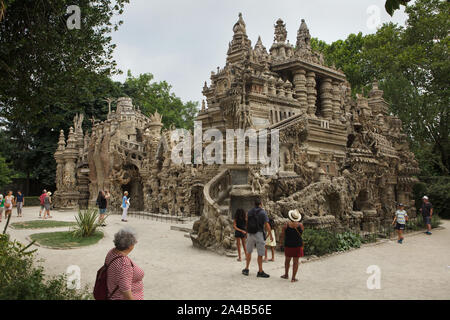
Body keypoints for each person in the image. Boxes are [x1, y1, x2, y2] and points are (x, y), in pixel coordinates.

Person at [104, 228, 144, 300]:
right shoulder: (124, 264)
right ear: (129, 246)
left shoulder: (112, 252)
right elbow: (126, 291)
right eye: (134, 242)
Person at [242, 198, 273, 278]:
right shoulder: (263, 212)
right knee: (260, 253)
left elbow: (247, 222)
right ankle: (260, 271)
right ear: (260, 204)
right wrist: (270, 235)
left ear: (254, 204)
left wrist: (246, 232)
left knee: (249, 252)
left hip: (250, 234)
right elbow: (267, 225)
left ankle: (246, 269)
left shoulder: (249, 212)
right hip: (259, 233)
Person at [280, 209, 304, 283]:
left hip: (288, 245)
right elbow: (301, 233)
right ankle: (293, 278)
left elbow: (282, 235)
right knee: (296, 262)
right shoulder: (300, 225)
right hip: (297, 245)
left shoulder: (286, 225)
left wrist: (281, 243)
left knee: (287, 260)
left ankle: (286, 274)